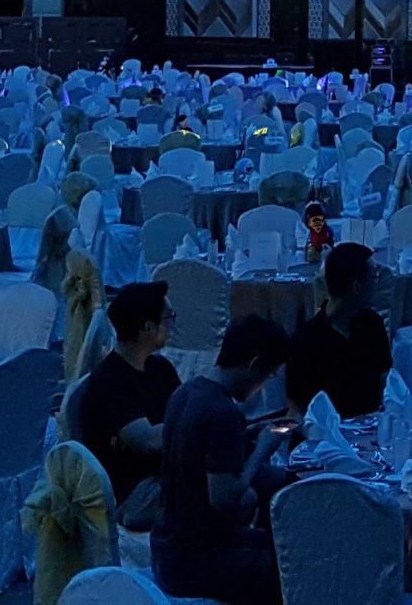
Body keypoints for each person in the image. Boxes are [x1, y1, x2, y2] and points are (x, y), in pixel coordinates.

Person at [152, 314, 294, 605]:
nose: (264, 386)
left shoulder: (185, 392)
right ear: (254, 364)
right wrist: (262, 451)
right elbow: (223, 497)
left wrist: (246, 434)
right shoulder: (223, 413)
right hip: (194, 559)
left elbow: (197, 451)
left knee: (286, 546)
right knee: (293, 568)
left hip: (168, 546)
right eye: (268, 376)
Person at [74, 281, 179, 530]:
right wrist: (198, 424)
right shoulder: (110, 382)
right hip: (134, 494)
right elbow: (147, 441)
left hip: (166, 472)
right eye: (169, 317)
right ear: (148, 327)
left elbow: (183, 409)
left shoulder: (160, 368)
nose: (173, 324)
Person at [287, 242, 392, 418]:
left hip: (370, 427)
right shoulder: (306, 341)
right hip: (325, 432)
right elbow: (297, 409)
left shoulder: (373, 325)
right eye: (374, 278)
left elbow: (385, 384)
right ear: (357, 287)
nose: (377, 284)